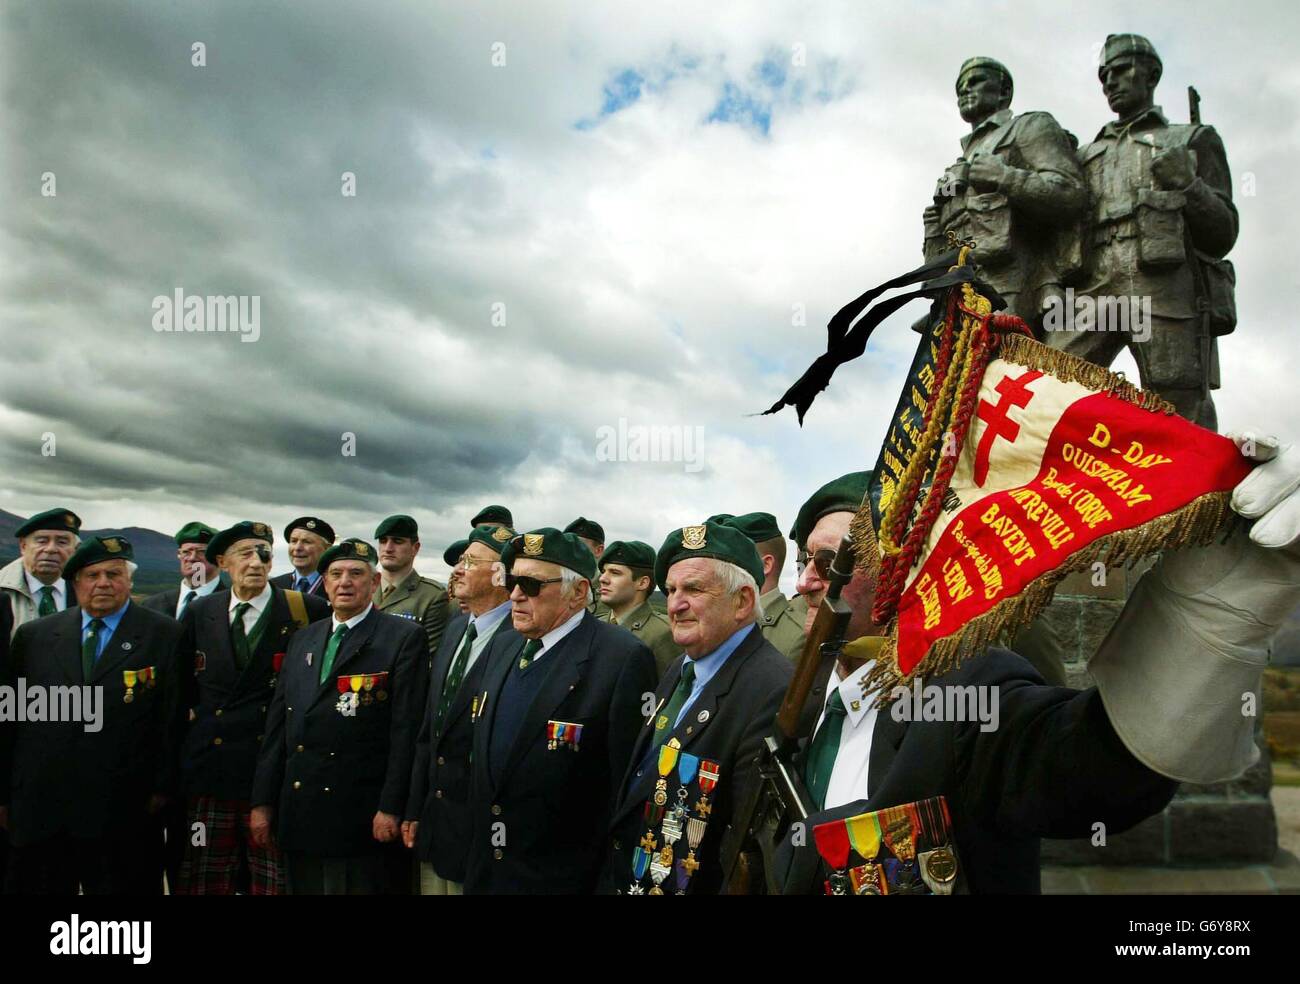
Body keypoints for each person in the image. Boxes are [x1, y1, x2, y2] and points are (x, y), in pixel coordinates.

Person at [775, 439, 1300, 893]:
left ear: (902, 571)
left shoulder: (969, 690)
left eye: (831, 562)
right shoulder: (805, 696)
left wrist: (1206, 625)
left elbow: (1093, 771)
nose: (804, 582)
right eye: (805, 561)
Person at [1048, 33, 1238, 429]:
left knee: (1178, 396)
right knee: (1051, 379)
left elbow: (1224, 232)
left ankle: (1196, 489)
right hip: (1094, 281)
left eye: (1120, 71)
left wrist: (1189, 184)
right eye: (1104, 76)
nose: (1111, 82)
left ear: (1151, 73)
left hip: (1162, 281)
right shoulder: (1085, 155)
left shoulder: (1189, 140)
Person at [602, 520, 792, 895]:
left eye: (693, 589)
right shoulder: (682, 665)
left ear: (742, 602)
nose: (675, 604)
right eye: (670, 589)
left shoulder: (772, 689)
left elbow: (746, 850)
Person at [463, 528, 656, 894]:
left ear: (578, 592)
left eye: (532, 585)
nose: (516, 594)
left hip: (564, 878)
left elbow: (626, 793)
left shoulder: (621, 659)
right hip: (489, 874)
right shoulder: (504, 646)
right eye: (513, 581)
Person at [0, 535, 186, 894]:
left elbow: (172, 719)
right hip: (44, 808)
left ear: (129, 581)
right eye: (92, 575)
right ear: (75, 583)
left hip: (124, 810)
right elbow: (11, 720)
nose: (103, 583)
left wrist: (162, 790)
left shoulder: (163, 635)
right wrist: (6, 794)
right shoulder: (34, 636)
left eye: (113, 574)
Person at [250, 538, 428, 894]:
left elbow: (406, 731)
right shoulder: (305, 639)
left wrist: (392, 807)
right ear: (325, 583)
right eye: (335, 574)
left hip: (361, 813)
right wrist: (262, 801)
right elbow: (278, 728)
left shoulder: (402, 638)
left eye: (356, 573)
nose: (345, 582)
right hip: (301, 809)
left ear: (375, 582)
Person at [174, 521, 329, 894]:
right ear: (223, 562)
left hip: (273, 768)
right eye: (245, 554)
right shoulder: (201, 612)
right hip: (212, 770)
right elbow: (180, 691)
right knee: (207, 877)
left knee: (272, 880)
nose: (257, 562)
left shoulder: (305, 609)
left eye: (263, 553)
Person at [922, 56, 1087, 330]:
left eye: (975, 81)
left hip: (1008, 283)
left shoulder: (1029, 127)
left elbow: (1070, 193)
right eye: (960, 87)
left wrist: (1005, 177)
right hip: (954, 290)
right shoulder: (957, 163)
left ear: (1004, 92)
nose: (965, 90)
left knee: (998, 369)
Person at [404, 523, 516, 894]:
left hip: (483, 829)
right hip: (438, 822)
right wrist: (415, 806)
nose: (457, 569)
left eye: (470, 561)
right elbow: (430, 729)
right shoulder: (456, 629)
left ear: (501, 575)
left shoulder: (521, 641)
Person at [713, 512, 806, 662]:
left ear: (765, 565)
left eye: (729, 561)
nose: (719, 571)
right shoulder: (722, 622)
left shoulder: (798, 636)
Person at [596, 539, 677, 677]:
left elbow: (665, 691)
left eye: (615, 573)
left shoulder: (663, 633)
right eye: (604, 571)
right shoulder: (595, 625)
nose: (603, 578)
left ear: (642, 582)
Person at [373, 514, 449, 662]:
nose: (388, 548)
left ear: (415, 548)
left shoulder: (432, 596)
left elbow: (426, 656)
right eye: (383, 541)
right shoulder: (363, 588)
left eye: (397, 541)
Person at [0, 508, 81, 639]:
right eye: (42, 541)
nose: (51, 549)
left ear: (75, 550)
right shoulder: (3, 590)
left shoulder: (87, 590)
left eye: (62, 542)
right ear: (23, 546)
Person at [141, 521, 226, 618]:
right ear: (179, 555)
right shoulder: (152, 606)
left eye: (201, 552)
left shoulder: (230, 606)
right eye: (186, 552)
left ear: (220, 560)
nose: (192, 558)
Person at [269, 517, 335, 598]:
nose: (297, 548)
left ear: (327, 548)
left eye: (307, 542)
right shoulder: (272, 587)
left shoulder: (337, 587)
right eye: (293, 541)